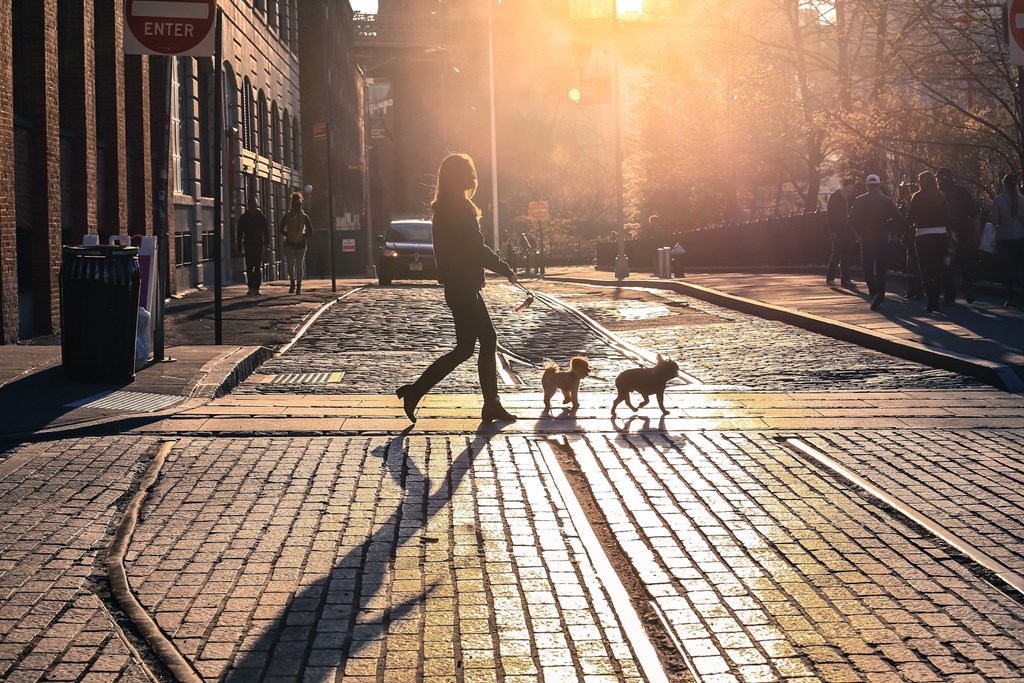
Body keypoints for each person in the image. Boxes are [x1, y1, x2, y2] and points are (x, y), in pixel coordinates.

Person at [396, 153, 519, 423]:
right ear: (457, 177)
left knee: (465, 348)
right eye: (468, 172)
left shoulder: (445, 208)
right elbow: (477, 248)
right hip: (464, 287)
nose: (473, 177)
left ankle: (415, 392)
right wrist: (506, 269)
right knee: (487, 341)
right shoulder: (459, 209)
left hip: (459, 287)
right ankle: (491, 405)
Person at [848, 173, 902, 310]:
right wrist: (891, 231)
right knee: (881, 269)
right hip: (883, 237)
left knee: (867, 268)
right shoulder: (887, 201)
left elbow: (852, 218)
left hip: (867, 237)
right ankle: (881, 295)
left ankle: (874, 293)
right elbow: (898, 218)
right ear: (878, 185)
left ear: (867, 185)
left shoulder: (860, 200)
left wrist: (859, 232)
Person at [907, 171, 951, 313]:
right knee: (937, 269)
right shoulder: (941, 197)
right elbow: (948, 216)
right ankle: (937, 296)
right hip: (940, 235)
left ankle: (931, 297)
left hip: (923, 235)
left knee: (925, 269)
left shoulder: (917, 197)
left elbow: (911, 217)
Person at [936, 167, 980, 304]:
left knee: (948, 263)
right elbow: (974, 213)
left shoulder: (938, 194)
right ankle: (968, 285)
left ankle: (950, 294)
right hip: (964, 232)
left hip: (947, 233)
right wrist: (976, 232)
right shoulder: (962, 191)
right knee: (966, 261)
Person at [988, 172, 1024, 307]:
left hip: (1005, 239)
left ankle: (1011, 296)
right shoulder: (1022, 200)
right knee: (1020, 265)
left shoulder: (999, 200)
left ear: (1004, 184)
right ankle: (1021, 289)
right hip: (1021, 237)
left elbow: (994, 220)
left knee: (1008, 267)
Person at [278, 191, 313, 294]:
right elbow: (281, 228)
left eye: (298, 205)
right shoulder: (287, 216)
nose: (297, 207)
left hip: (301, 244)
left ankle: (298, 286)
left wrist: (303, 235)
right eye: (295, 204)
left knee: (299, 265)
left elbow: (310, 230)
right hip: (290, 243)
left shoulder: (304, 216)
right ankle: (292, 282)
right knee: (290, 264)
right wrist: (287, 235)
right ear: (292, 204)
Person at [825, 177, 857, 287]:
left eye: (852, 189)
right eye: (849, 188)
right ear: (843, 187)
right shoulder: (834, 198)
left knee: (846, 255)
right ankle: (830, 278)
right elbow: (830, 215)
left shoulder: (852, 199)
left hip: (848, 231)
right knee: (836, 253)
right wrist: (832, 230)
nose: (850, 191)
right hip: (838, 231)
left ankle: (846, 279)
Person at [237, 193, 270, 296]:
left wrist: (266, 244)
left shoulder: (261, 217)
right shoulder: (244, 218)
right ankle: (251, 287)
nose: (253, 206)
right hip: (249, 245)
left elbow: (266, 231)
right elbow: (239, 233)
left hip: (258, 245)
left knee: (257, 267)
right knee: (250, 267)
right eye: (252, 204)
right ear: (249, 205)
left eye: (254, 204)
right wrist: (239, 246)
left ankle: (256, 287)